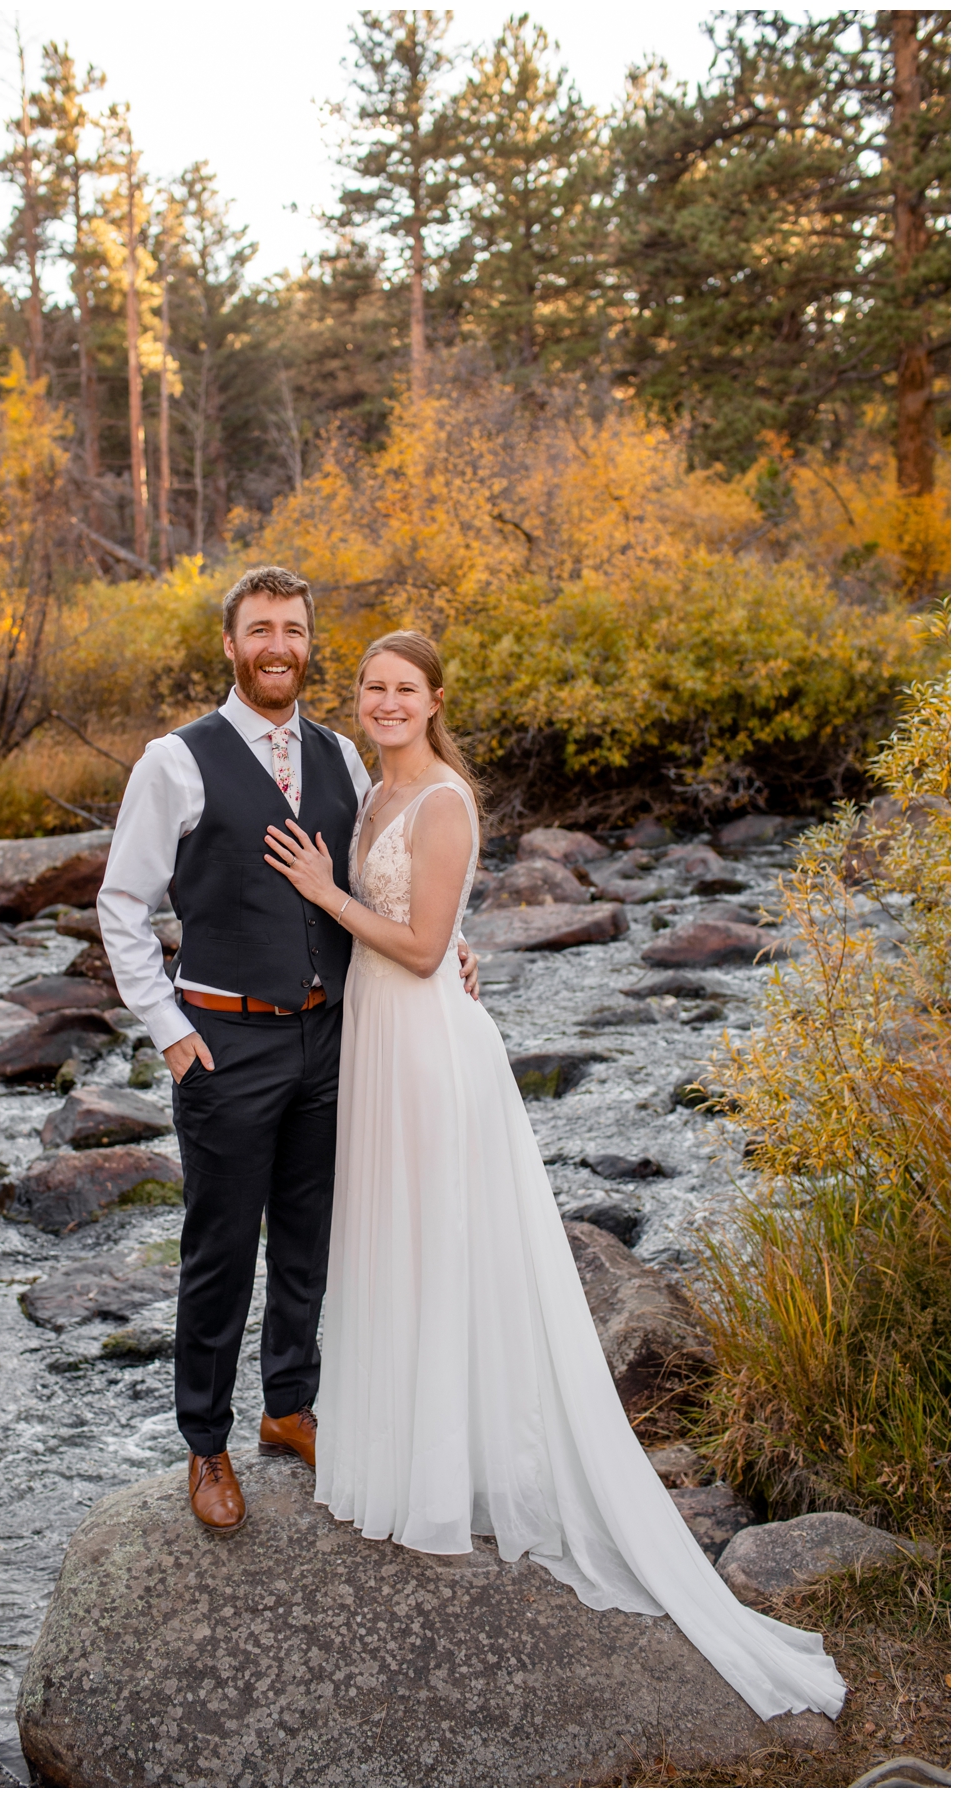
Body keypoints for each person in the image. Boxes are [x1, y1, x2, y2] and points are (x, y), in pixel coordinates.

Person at [259, 629, 845, 1721]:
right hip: (374, 1041)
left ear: (436, 701)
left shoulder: (442, 799)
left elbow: (427, 948)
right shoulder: (362, 782)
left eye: (407, 690)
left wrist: (324, 890)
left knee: (439, 1250)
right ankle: (397, 1460)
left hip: (428, 1046)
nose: (387, 703)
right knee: (385, 1247)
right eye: (374, 688)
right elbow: (428, 928)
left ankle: (444, 1480)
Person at [98, 566, 477, 1533]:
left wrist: (452, 944)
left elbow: (373, 884)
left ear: (311, 645)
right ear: (231, 645)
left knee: (310, 1238)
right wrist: (175, 1036)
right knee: (220, 1253)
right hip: (223, 1042)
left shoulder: (345, 758)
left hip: (332, 1038)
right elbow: (121, 908)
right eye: (260, 629)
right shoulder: (174, 762)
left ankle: (288, 1408)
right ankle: (206, 1445)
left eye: (295, 630)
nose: (279, 645)